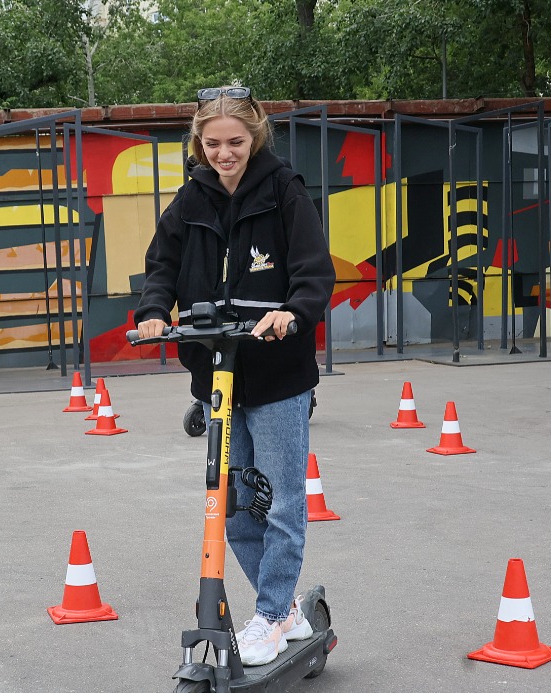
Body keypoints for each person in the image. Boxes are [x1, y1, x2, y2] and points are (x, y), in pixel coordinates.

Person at [133, 86, 335, 666]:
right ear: (199, 142)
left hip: (276, 375)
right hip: (217, 372)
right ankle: (285, 611)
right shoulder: (190, 198)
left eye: (236, 142)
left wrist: (291, 313)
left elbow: (312, 270)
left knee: (280, 502)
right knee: (235, 505)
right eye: (213, 143)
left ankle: (271, 615)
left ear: (256, 137)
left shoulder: (283, 191)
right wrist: (152, 313)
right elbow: (162, 265)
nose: (224, 153)